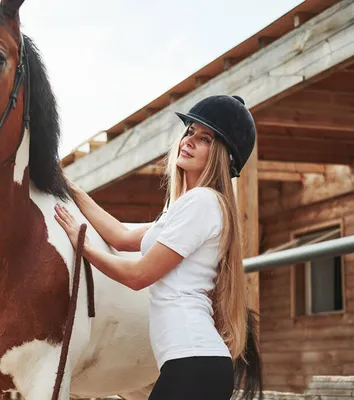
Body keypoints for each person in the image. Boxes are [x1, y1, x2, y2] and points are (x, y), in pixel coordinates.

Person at [54, 94, 257, 399]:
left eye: (204, 138)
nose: (188, 140)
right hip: (191, 364)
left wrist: (82, 245)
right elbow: (121, 236)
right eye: (189, 131)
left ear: (221, 155)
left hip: (194, 364)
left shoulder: (202, 203)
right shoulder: (182, 208)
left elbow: (138, 276)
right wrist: (69, 185)